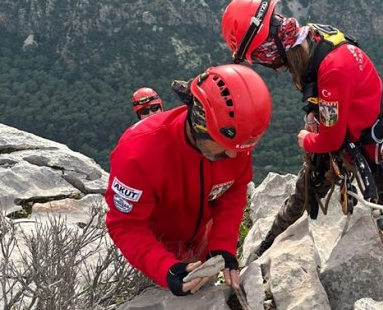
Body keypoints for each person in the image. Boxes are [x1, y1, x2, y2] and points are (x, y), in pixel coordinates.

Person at [221, 0, 383, 255]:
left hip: (369, 151)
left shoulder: (332, 69)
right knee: (305, 189)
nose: (265, 64)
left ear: (267, 49)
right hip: (361, 134)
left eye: (260, 57)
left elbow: (331, 139)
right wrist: (312, 111)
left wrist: (306, 139)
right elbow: (315, 87)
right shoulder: (311, 37)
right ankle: (268, 245)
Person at [106, 65, 272, 295]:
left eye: (242, 148)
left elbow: (234, 188)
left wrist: (222, 245)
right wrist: (165, 268)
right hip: (159, 245)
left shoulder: (233, 138)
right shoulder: (137, 154)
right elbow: (126, 224)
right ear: (200, 124)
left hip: (203, 233)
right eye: (226, 147)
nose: (234, 156)